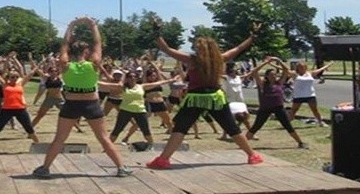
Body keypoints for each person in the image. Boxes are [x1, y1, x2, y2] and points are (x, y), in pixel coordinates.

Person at [146, 23, 264, 170]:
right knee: (232, 128)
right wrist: (253, 37)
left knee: (180, 129)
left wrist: (157, 32)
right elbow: (239, 48)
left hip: (195, 97)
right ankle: (252, 155)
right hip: (215, 97)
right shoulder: (221, 58)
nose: (196, 48)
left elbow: (166, 49)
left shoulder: (192, 60)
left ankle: (163, 160)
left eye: (197, 47)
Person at [32, 16, 133, 178]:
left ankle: (45, 168)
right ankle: (121, 167)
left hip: (71, 104)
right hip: (91, 104)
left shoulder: (65, 65)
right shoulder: (93, 64)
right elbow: (98, 44)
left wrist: (71, 25)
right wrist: (93, 25)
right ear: (86, 52)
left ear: (71, 52)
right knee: (103, 138)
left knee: (59, 139)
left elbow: (64, 45)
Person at [0, 54, 40, 154]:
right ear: (8, 77)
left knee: (29, 129)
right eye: (12, 77)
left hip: (20, 109)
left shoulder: (21, 83)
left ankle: (40, 147)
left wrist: (39, 62)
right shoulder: (4, 84)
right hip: (6, 110)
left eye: (15, 77)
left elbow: (32, 72)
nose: (14, 78)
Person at [245, 57, 309, 149]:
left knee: (288, 125)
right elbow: (254, 72)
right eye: (271, 75)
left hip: (278, 107)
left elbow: (286, 70)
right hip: (265, 108)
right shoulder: (262, 84)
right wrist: (265, 63)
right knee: (256, 126)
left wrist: (278, 60)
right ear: (266, 76)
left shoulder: (279, 83)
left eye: (275, 75)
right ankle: (243, 143)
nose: (273, 76)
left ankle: (300, 143)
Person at [103, 69, 174, 148]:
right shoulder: (123, 87)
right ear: (127, 78)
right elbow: (106, 84)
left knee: (146, 131)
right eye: (130, 77)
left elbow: (158, 83)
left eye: (134, 77)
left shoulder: (142, 86)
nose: (132, 78)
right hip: (125, 111)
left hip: (140, 111)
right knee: (117, 130)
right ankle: (107, 148)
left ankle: (152, 147)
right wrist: (94, 82)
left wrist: (171, 80)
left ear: (137, 78)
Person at [286, 61, 332, 126]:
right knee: (294, 110)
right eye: (300, 67)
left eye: (303, 67)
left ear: (306, 67)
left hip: (310, 95)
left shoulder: (310, 73)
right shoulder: (295, 74)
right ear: (297, 68)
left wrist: (328, 65)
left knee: (315, 110)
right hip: (299, 95)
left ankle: (320, 122)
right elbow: (285, 69)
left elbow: (321, 69)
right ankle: (287, 123)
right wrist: (276, 62)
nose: (302, 68)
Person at [219, 61, 255, 140]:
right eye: (233, 70)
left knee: (245, 117)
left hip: (240, 101)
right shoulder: (226, 78)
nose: (235, 71)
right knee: (230, 118)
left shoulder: (239, 78)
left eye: (235, 70)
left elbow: (251, 73)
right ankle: (224, 135)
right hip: (230, 101)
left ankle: (251, 133)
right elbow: (217, 74)